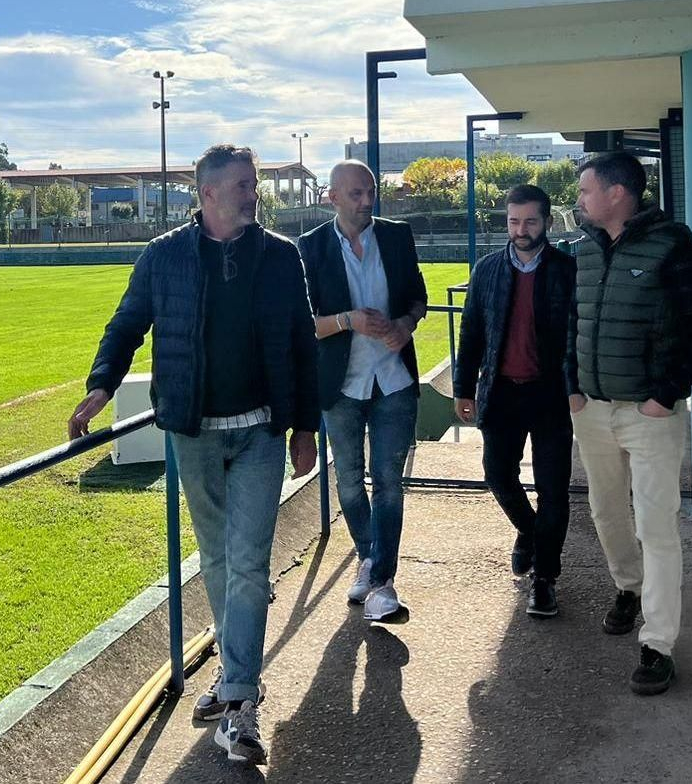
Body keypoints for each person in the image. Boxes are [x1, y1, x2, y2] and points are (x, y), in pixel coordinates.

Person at [69, 144, 318, 764]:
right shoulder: (164, 257)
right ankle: (233, 674)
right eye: (241, 184)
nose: (252, 192)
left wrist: (305, 427)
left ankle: (240, 701)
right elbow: (127, 325)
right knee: (216, 559)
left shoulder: (281, 257)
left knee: (250, 560)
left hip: (261, 432)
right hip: (194, 433)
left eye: (253, 182)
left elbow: (301, 345)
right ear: (206, 194)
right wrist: (99, 389)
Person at [565, 151, 692, 696]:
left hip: (649, 415)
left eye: (586, 191)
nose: (579, 199)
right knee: (607, 514)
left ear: (617, 193)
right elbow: (570, 324)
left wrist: (664, 395)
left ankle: (658, 644)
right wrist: (573, 385)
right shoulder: (581, 251)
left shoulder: (672, 243)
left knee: (656, 528)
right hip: (593, 412)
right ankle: (627, 590)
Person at [299, 159, 428, 622]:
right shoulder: (309, 248)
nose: (366, 201)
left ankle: (380, 582)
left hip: (393, 380)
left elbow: (418, 296)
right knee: (350, 483)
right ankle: (369, 556)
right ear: (331, 198)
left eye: (370, 191)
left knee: (389, 483)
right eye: (355, 194)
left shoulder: (396, 235)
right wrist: (349, 321)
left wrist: (405, 325)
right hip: (341, 386)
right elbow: (302, 326)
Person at [453, 184, 577, 619]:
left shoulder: (566, 270)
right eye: (513, 221)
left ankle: (544, 578)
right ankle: (529, 531)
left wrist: (576, 386)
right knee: (498, 476)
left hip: (550, 395)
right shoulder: (487, 269)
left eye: (529, 221)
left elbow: (577, 337)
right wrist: (463, 388)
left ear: (545, 221)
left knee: (553, 487)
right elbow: (470, 335)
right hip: (501, 392)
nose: (520, 230)